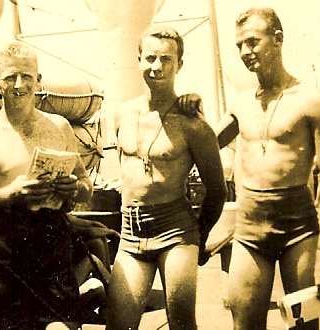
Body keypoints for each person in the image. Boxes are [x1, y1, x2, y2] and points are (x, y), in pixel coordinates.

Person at [0, 41, 114, 329]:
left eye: (26, 76)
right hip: (0, 249)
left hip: (51, 240)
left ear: (38, 80)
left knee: (63, 325)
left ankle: (87, 296)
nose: (19, 84)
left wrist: (73, 188)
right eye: (10, 76)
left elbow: (85, 184)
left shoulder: (59, 127)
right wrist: (9, 194)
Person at [215, 7, 320, 329]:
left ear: (278, 39)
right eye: (239, 45)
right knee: (243, 323)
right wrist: (184, 106)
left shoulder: (313, 101)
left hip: (298, 228)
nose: (245, 52)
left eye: (253, 42)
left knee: (304, 325)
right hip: (249, 228)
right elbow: (205, 143)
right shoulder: (241, 103)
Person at [106, 25, 227, 330]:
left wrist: (199, 236)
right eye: (149, 58)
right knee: (118, 324)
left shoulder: (192, 124)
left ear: (179, 65)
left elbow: (218, 190)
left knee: (182, 321)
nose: (156, 67)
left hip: (176, 232)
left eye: (165, 59)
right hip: (131, 233)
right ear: (138, 60)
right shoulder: (120, 114)